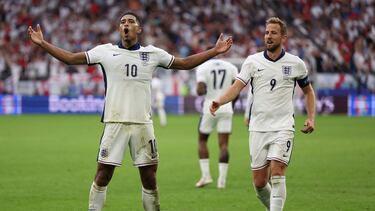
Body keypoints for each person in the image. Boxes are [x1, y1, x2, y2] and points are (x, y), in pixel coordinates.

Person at [28, 12, 232, 211]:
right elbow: (71, 58)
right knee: (103, 175)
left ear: (138, 29)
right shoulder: (105, 51)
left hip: (142, 124)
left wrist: (214, 51)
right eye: (122, 22)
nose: (126, 25)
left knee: (149, 177)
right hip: (114, 123)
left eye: (130, 22)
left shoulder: (152, 54)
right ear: (119, 29)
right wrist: (43, 43)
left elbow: (184, 63)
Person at [210, 17, 315, 211]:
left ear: (284, 37)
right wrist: (220, 100)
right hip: (258, 128)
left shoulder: (296, 63)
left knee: (277, 172)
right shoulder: (252, 61)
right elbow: (237, 87)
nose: (269, 36)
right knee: (259, 184)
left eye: (274, 33)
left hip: (283, 127)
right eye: (267, 32)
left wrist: (310, 118)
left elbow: (308, 91)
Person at [195, 58, 238, 189]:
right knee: (224, 144)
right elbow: (236, 89)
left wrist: (206, 88)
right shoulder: (231, 66)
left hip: (210, 107)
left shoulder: (203, 66)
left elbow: (199, 90)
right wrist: (231, 105)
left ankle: (206, 176)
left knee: (202, 141)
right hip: (226, 107)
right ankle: (222, 181)